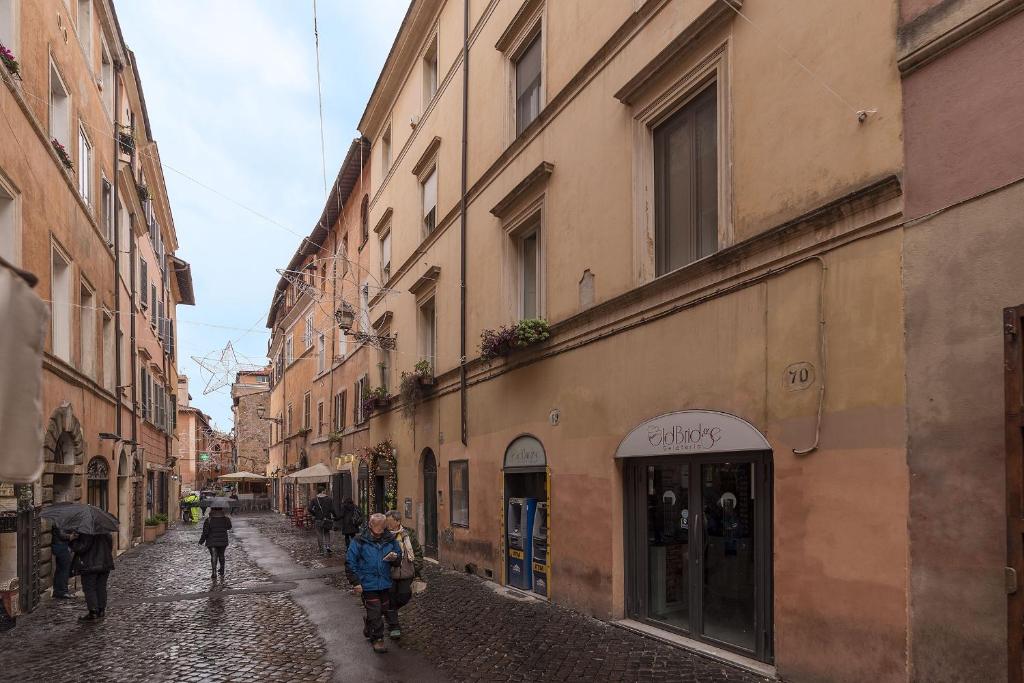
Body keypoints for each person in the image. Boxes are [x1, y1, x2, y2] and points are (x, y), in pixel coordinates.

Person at [345, 513, 402, 653]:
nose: (379, 532)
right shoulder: (359, 540)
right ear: (370, 526)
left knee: (383, 609)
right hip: (367, 582)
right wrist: (355, 582)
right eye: (376, 528)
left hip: (385, 582)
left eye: (381, 528)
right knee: (375, 610)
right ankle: (377, 639)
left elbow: (398, 556)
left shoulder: (390, 539)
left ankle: (369, 623)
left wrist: (395, 558)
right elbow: (350, 561)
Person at [384, 510, 424, 640]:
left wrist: (415, 568)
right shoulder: (383, 535)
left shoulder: (409, 534)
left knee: (404, 596)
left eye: (389, 522)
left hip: (406, 573)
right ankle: (394, 626)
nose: (387, 525)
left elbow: (417, 552)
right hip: (388, 574)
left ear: (398, 521)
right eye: (386, 522)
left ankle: (389, 612)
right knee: (390, 598)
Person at [69, 531, 114, 622]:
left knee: (89, 587)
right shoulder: (105, 531)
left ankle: (93, 612)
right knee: (101, 587)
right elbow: (110, 545)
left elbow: (81, 547)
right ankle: (101, 610)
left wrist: (73, 541)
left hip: (90, 565)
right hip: (105, 564)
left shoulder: (86, 532)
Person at [199, 504, 232, 579]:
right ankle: (222, 570)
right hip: (223, 540)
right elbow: (229, 527)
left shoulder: (209, 520)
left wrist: (201, 541)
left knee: (213, 556)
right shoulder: (226, 519)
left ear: (212, 510)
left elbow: (205, 532)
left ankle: (214, 572)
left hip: (211, 541)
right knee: (221, 555)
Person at [307, 485, 337, 555]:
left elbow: (309, 508)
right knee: (327, 533)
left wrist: (315, 514)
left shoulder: (314, 499)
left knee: (319, 534)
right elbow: (332, 509)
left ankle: (321, 550)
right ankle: (328, 547)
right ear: (324, 491)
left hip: (318, 520)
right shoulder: (329, 499)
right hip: (327, 519)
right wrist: (335, 516)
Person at [50, 525, 73, 600]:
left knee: (60, 570)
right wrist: (71, 536)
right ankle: (63, 591)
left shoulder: (60, 520)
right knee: (64, 570)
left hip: (60, 547)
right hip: (61, 547)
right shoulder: (59, 521)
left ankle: (58, 591)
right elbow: (62, 535)